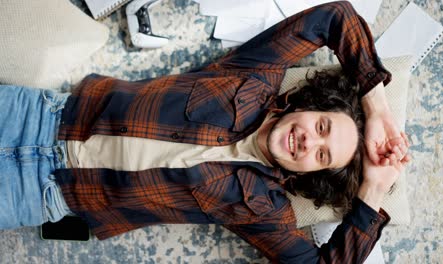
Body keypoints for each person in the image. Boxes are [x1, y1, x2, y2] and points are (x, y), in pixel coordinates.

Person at [0, 2, 410, 263]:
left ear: (311, 174)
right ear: (308, 106)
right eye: (321, 127)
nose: (309, 142)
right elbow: (335, 17)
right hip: (41, 115)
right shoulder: (255, 76)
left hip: (44, 192)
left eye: (322, 155)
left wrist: (371, 192)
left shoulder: (264, 210)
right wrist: (376, 106)